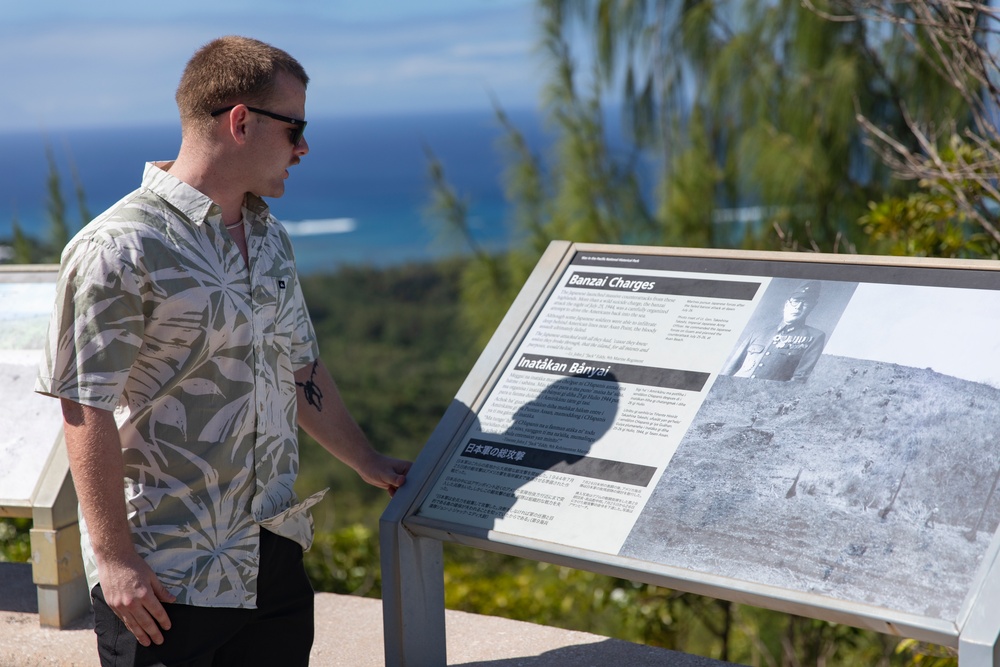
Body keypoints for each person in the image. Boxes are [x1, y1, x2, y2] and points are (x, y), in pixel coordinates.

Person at [34, 36, 411, 666]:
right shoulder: (119, 247)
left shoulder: (269, 236)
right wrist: (116, 560)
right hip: (166, 576)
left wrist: (367, 460)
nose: (304, 147)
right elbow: (85, 408)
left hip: (274, 554)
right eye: (295, 128)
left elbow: (298, 367)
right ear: (241, 121)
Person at [722, 281, 827, 382]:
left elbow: (799, 379)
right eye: (795, 301)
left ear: (812, 307)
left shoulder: (815, 337)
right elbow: (731, 368)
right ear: (787, 304)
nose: (798, 307)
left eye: (805, 303)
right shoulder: (759, 332)